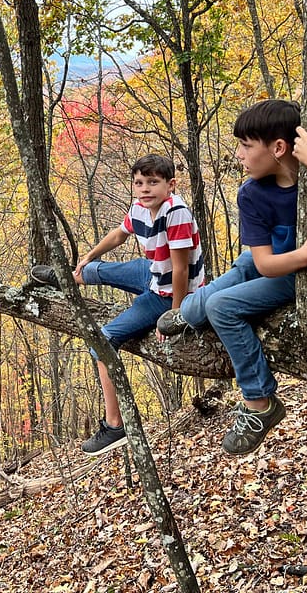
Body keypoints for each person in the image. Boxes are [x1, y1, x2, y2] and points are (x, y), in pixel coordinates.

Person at [157, 99, 307, 455]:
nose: (239, 154)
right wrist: (303, 252)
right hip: (274, 263)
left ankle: (260, 403)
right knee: (204, 304)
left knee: (221, 307)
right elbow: (265, 263)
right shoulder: (252, 194)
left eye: (246, 145)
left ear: (278, 148)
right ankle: (190, 311)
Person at [30, 154, 205, 455]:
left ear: (170, 185)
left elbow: (181, 270)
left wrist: (176, 315)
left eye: (153, 182)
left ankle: (115, 425)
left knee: (101, 342)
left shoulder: (176, 212)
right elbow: (119, 235)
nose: (145, 189)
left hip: (169, 293)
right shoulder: (140, 206)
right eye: (139, 183)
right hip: (152, 274)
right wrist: (88, 256)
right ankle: (69, 278)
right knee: (99, 269)